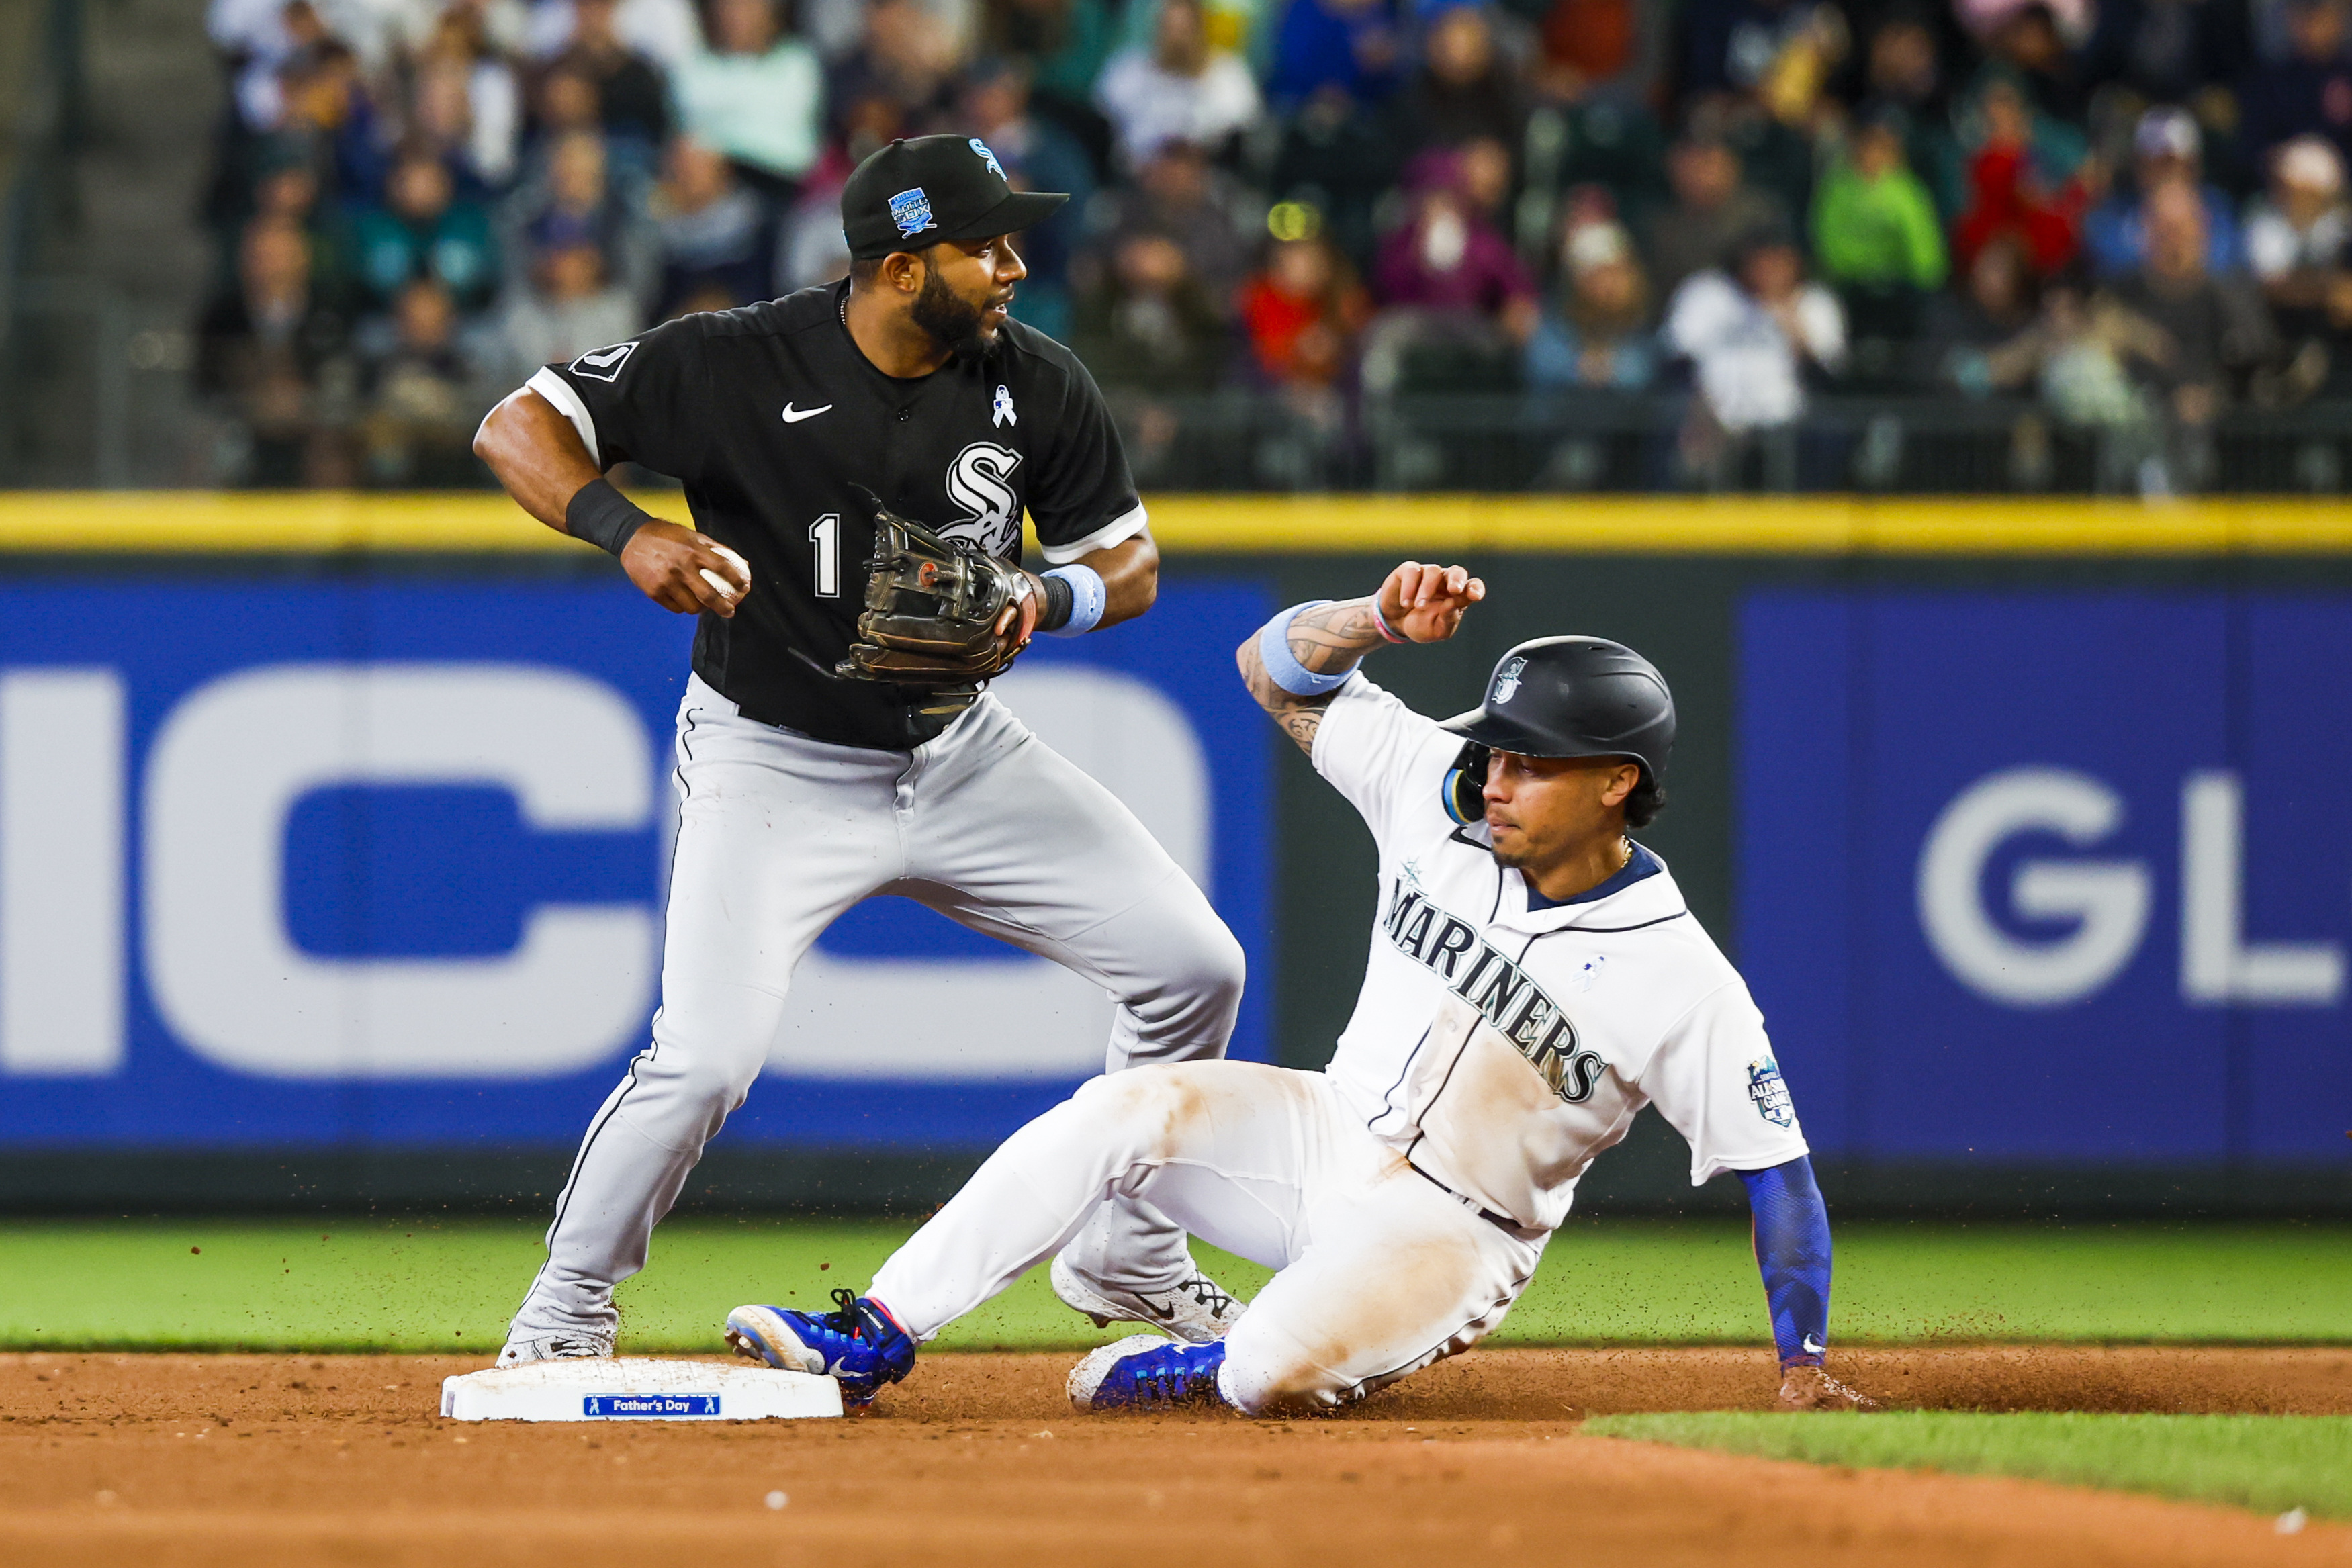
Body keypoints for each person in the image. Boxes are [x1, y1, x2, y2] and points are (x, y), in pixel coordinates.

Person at [723, 565, 1875, 1416]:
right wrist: (1374, 622)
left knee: (1270, 1371)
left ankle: (1218, 1366)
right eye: (1500, 750)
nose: (1499, 774)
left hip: (1452, 1228)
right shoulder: (1442, 792)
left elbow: (1778, 1174)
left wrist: (1803, 1365)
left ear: (1618, 783)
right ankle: (872, 1333)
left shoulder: (1676, 974)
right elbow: (1272, 667)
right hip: (1320, 1132)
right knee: (1124, 1107)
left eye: (1532, 762)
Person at [473, 133, 1248, 1367]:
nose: (1011, 265)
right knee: (704, 1060)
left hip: (961, 753)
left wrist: (1048, 600)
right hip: (774, 760)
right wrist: (624, 531)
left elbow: (1131, 562)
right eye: (982, 245)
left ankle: (1127, 1249)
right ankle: (567, 1304)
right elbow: (517, 426)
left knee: (1194, 968)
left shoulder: (1033, 380)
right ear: (897, 267)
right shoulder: (733, 362)